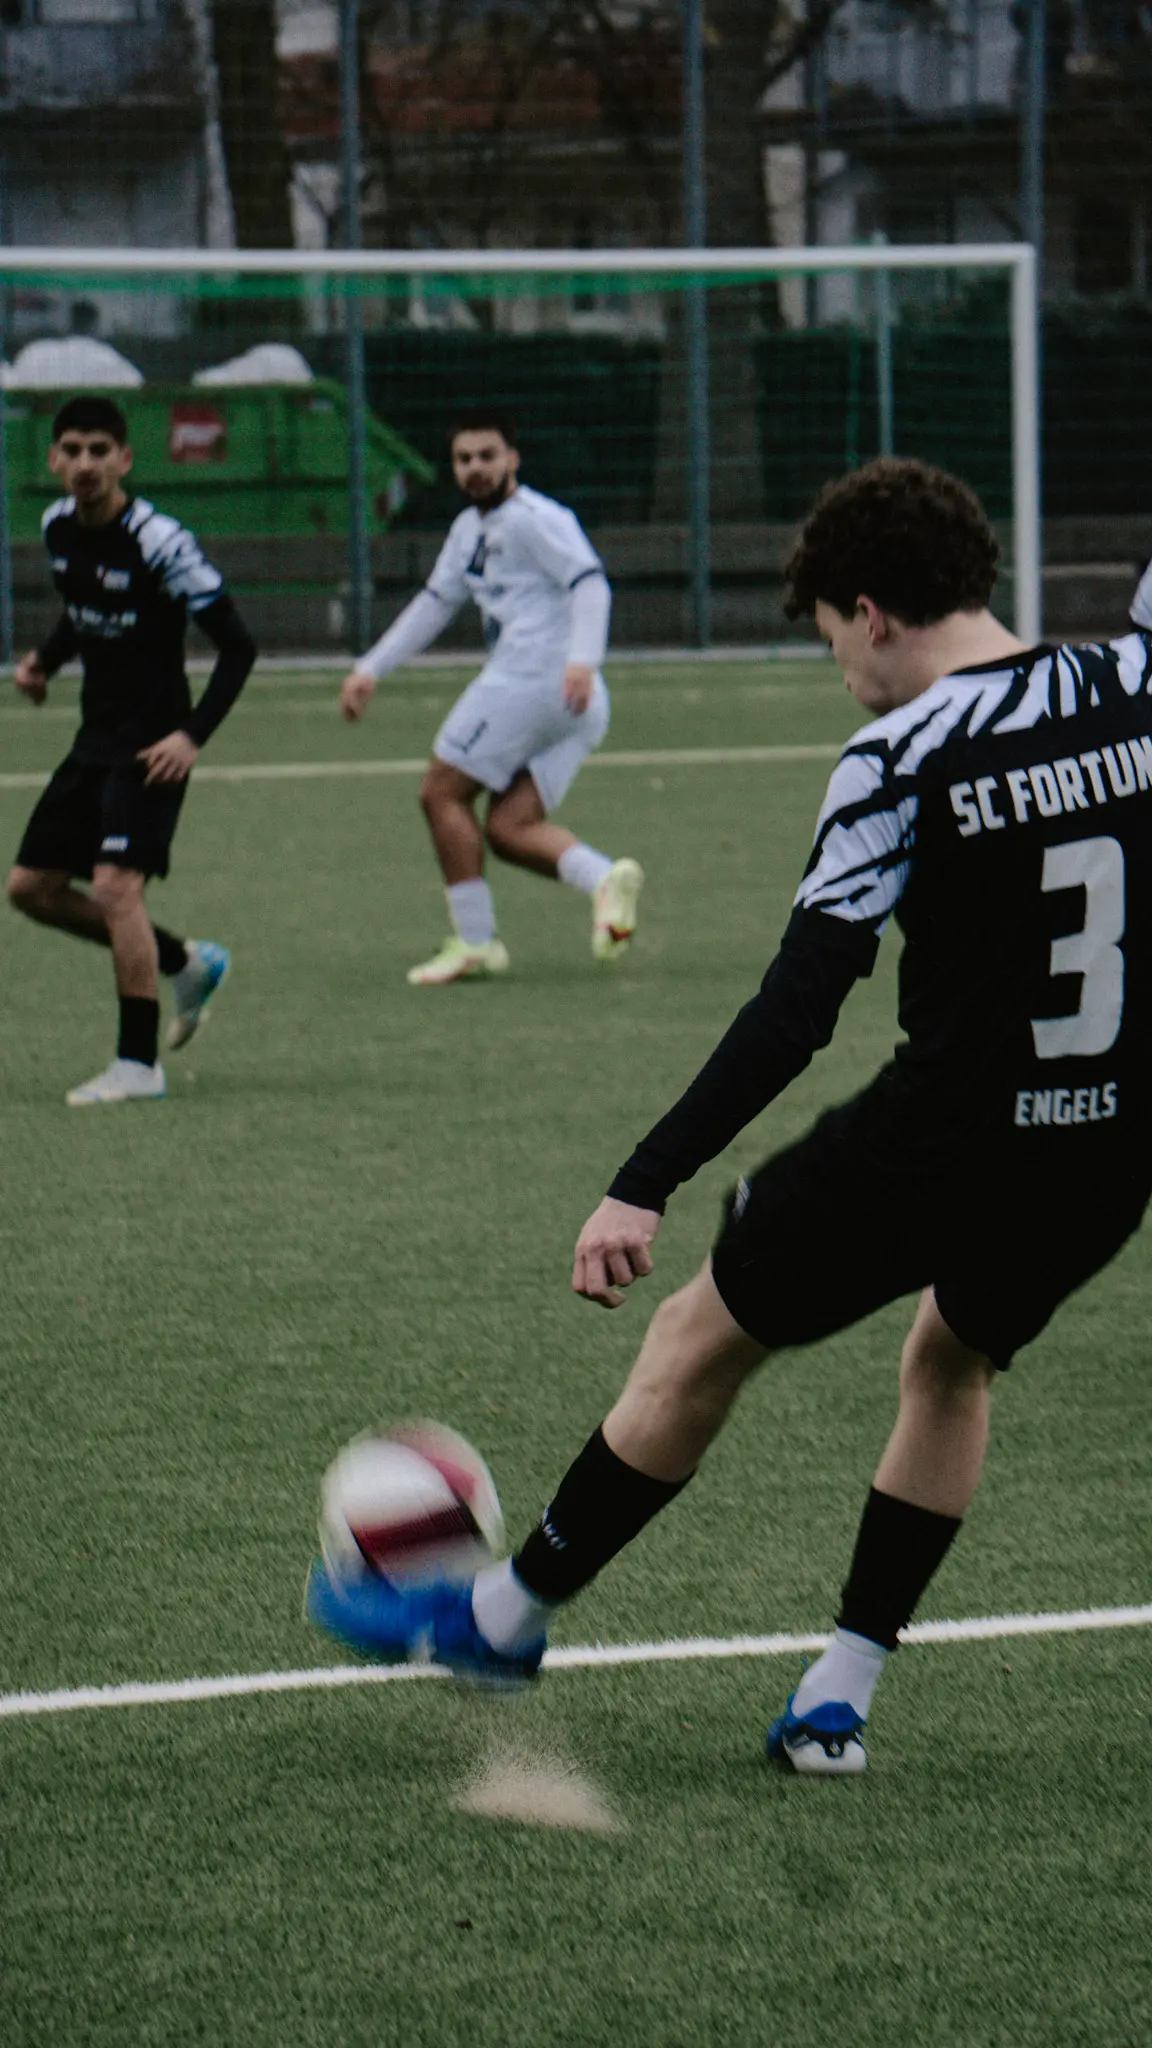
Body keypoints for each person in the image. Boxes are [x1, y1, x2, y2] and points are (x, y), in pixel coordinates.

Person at [307, 458, 1152, 1773]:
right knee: (951, 1364)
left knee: (696, 1340)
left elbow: (798, 1008)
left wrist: (645, 1176)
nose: (842, 671)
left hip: (929, 1148)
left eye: (830, 641)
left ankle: (499, 1617)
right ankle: (838, 1698)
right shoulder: (1136, 688)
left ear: (869, 611)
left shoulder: (898, 754)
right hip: (1103, 1149)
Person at [7, 395, 256, 1105]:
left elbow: (238, 647)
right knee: (30, 890)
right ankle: (184, 960)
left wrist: (190, 736)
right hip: (95, 739)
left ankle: (138, 1064)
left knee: (117, 890)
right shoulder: (59, 527)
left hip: (152, 745)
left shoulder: (160, 542)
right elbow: (80, 609)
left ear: (124, 459)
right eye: (72, 451)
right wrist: (45, 662)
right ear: (54, 459)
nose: (85, 464)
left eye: (99, 451)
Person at [338, 410, 642, 984]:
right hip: (572, 701)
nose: (476, 468)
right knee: (508, 828)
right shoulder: (468, 531)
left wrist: (582, 661)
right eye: (464, 459)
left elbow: (590, 582)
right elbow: (434, 603)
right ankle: (605, 879)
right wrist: (371, 668)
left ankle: (475, 942)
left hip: (535, 680)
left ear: (512, 459)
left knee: (440, 794)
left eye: (487, 456)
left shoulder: (535, 519)